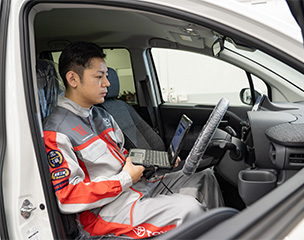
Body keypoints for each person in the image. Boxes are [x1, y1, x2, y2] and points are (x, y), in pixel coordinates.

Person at [43, 41, 224, 238]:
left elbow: (121, 155)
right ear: (73, 79)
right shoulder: (57, 131)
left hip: (134, 188)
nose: (107, 83)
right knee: (188, 208)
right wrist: (125, 179)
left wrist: (151, 161)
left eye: (106, 76)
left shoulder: (101, 116)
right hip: (103, 213)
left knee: (205, 177)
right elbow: (68, 196)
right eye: (99, 76)